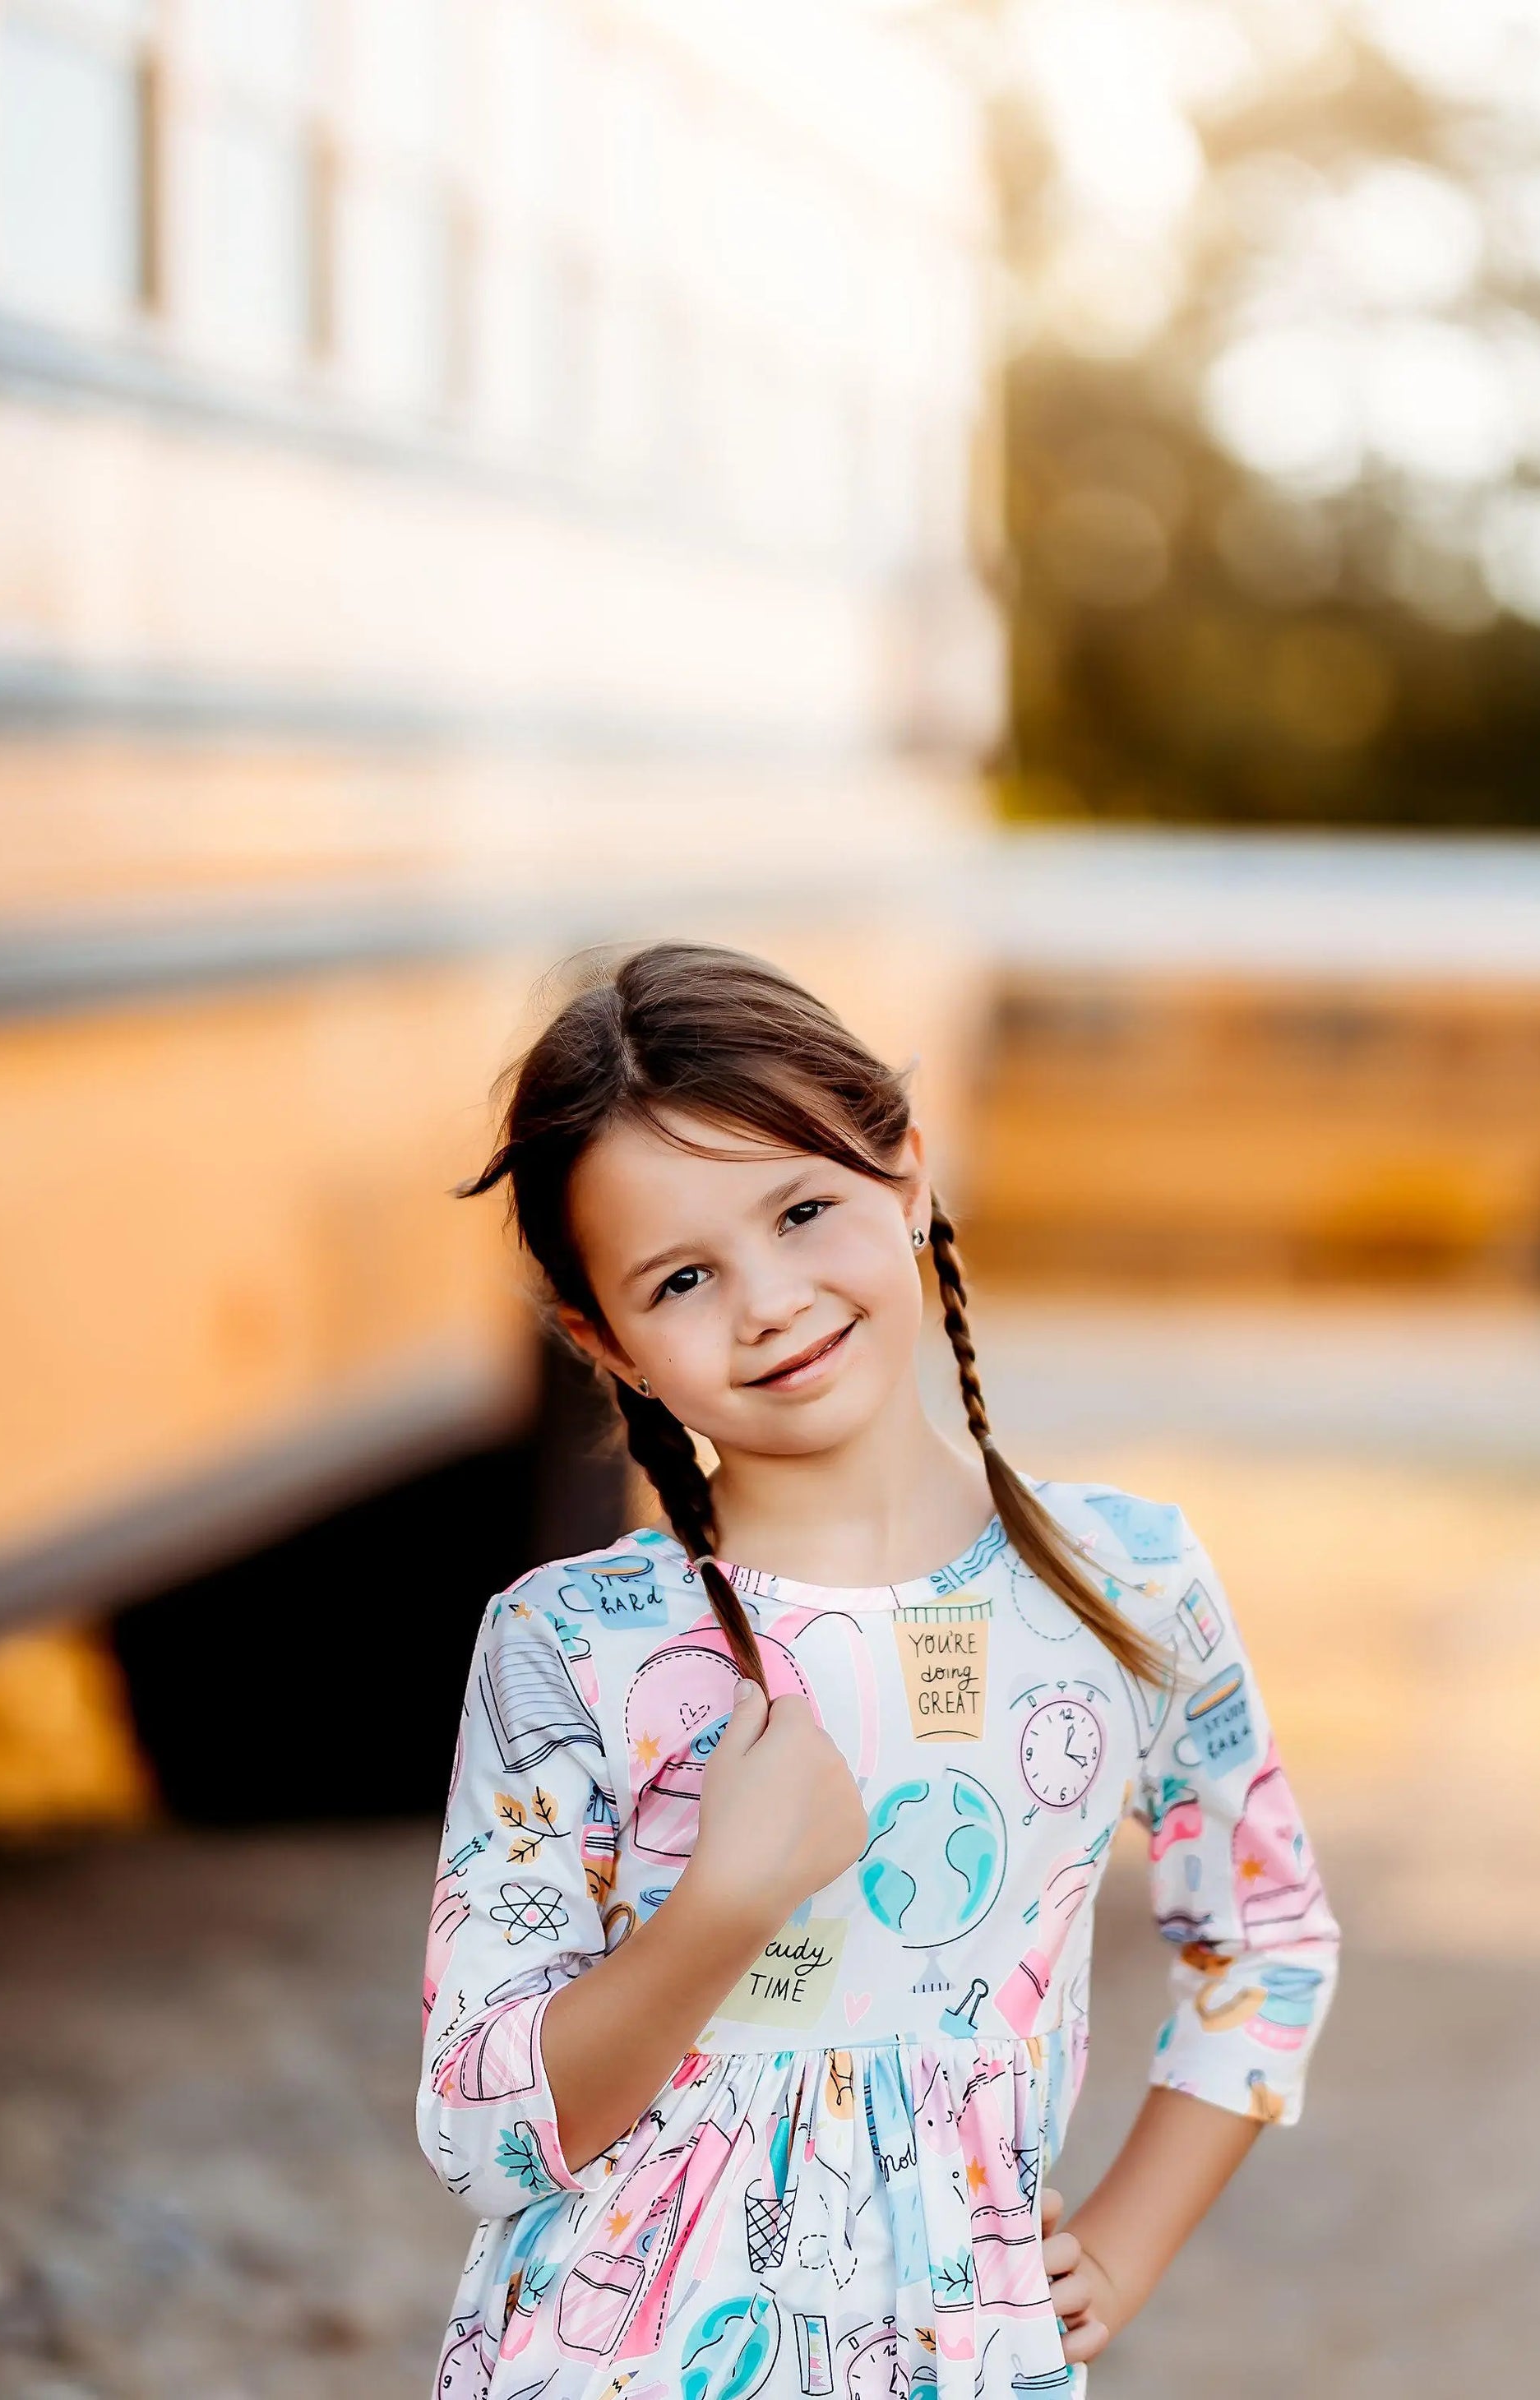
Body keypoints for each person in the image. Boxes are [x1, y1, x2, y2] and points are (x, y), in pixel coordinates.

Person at [417, 941, 1339, 2400]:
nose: (771, 1299)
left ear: (907, 1172)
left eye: (802, 1209)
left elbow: (1267, 1929)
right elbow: (481, 2134)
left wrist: (1126, 2244)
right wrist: (723, 1901)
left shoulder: (1119, 1588)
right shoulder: (569, 1645)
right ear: (607, 1341)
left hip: (960, 2365)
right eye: (681, 1277)